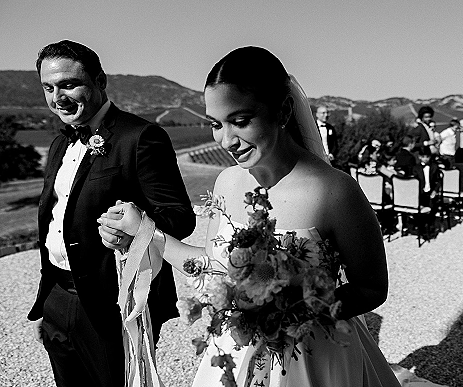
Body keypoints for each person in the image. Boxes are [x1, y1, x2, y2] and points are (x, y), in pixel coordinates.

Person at [98, 46, 401, 387]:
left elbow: (372, 288)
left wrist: (285, 311)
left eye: (240, 121)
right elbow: (212, 265)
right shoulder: (226, 182)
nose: (226, 140)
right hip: (235, 352)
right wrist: (142, 230)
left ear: (283, 110)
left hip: (312, 361)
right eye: (215, 124)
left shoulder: (335, 192)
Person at [27, 40, 196, 387]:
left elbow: (180, 216)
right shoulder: (60, 142)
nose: (58, 97)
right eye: (48, 87)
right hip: (57, 299)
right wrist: (48, 306)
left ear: (100, 81)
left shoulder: (142, 137)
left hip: (113, 305)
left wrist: (138, 228)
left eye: (69, 84)